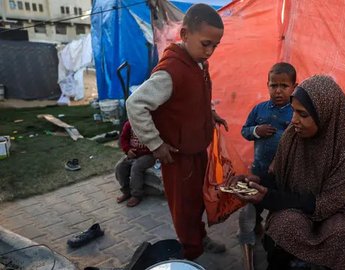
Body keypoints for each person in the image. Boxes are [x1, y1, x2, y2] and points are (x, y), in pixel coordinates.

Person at [227, 75, 345, 270]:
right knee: (285, 225)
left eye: (303, 114)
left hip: (340, 210)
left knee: (344, 235)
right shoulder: (292, 136)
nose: (294, 120)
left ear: (325, 114)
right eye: (294, 111)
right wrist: (256, 180)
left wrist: (269, 197)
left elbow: (330, 201)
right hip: (299, 203)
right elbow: (282, 176)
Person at [126, 4, 228, 260]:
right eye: (206, 44)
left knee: (198, 200)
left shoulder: (199, 64)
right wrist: (156, 144)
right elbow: (135, 104)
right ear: (184, 34)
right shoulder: (170, 72)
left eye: (215, 46)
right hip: (177, 156)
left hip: (196, 149)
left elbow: (192, 100)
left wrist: (210, 114)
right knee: (183, 208)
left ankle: (200, 238)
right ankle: (191, 255)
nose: (210, 51)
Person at [239, 62, 297, 270]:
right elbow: (244, 131)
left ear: (293, 87)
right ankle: (249, 249)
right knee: (250, 209)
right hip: (258, 170)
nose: (278, 90)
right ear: (267, 85)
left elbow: (297, 142)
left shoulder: (296, 113)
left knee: (277, 211)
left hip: (282, 177)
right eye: (274, 86)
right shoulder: (259, 109)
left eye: (284, 86)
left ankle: (273, 243)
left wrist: (278, 161)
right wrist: (256, 130)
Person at [115, 120, 155, 207]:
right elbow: (123, 139)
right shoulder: (129, 124)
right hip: (133, 154)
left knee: (136, 167)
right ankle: (126, 192)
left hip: (149, 155)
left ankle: (136, 195)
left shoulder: (150, 123)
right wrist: (127, 150)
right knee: (120, 167)